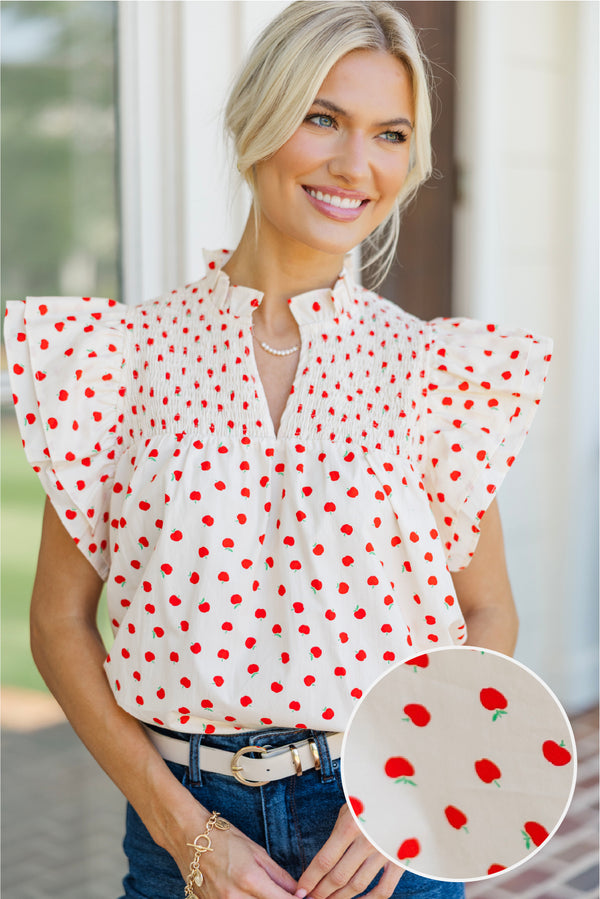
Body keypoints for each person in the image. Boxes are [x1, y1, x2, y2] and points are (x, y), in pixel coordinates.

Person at [4, 2, 552, 897]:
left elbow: (488, 614)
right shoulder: (124, 357)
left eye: (389, 134)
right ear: (257, 121)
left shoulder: (432, 369)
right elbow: (59, 623)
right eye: (322, 117)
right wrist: (183, 826)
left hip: (384, 824)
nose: (353, 164)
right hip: (181, 818)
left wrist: (405, 790)